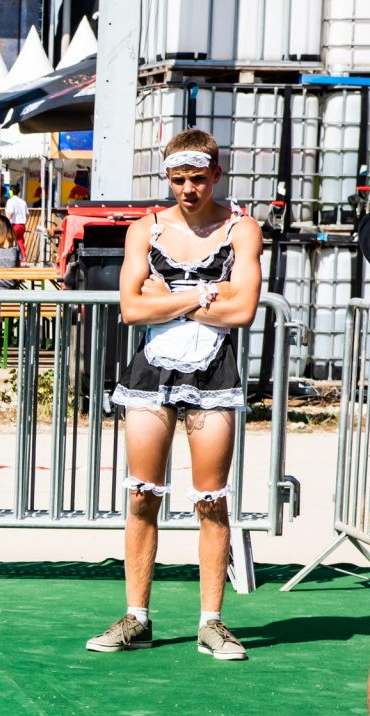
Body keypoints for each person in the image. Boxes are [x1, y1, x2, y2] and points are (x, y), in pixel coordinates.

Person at [92, 130, 262, 663]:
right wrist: (207, 294)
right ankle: (136, 617)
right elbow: (131, 308)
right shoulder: (145, 229)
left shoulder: (241, 229)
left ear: (216, 175)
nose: (189, 189)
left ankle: (211, 622)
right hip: (151, 370)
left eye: (198, 178)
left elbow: (243, 310)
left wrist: (170, 298)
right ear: (167, 177)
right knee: (143, 496)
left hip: (215, 370)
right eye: (179, 179)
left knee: (211, 500)